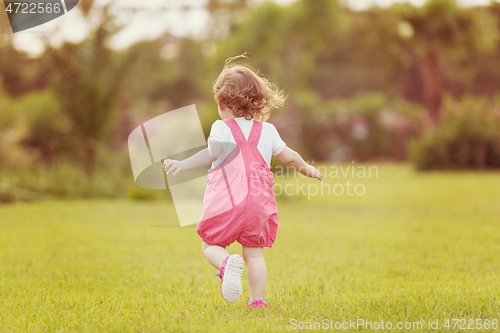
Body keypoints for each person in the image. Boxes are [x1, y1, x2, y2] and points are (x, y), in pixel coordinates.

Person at [163, 57, 323, 308]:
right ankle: (258, 302)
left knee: (211, 244)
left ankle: (226, 264)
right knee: (254, 254)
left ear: (221, 101)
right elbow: (290, 157)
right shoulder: (268, 131)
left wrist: (184, 164)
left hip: (227, 201)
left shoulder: (222, 127)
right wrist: (308, 169)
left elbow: (212, 153)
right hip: (258, 203)